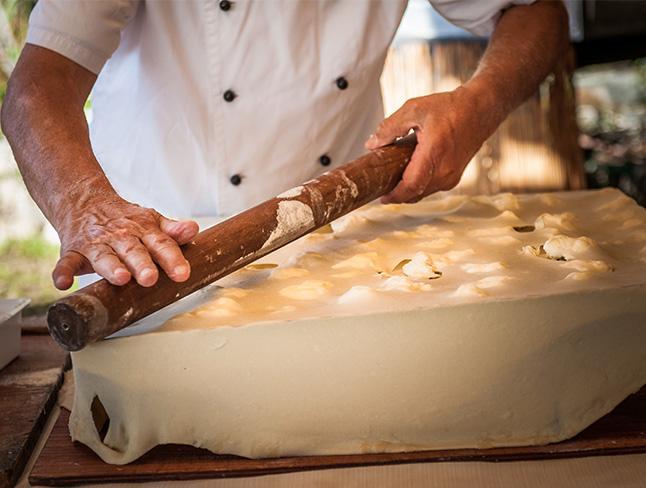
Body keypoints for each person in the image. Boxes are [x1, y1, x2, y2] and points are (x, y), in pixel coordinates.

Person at [1, 0, 569, 291]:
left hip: (345, 246)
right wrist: (86, 206)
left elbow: (537, 10)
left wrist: (478, 102)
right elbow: (36, 91)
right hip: (159, 255)